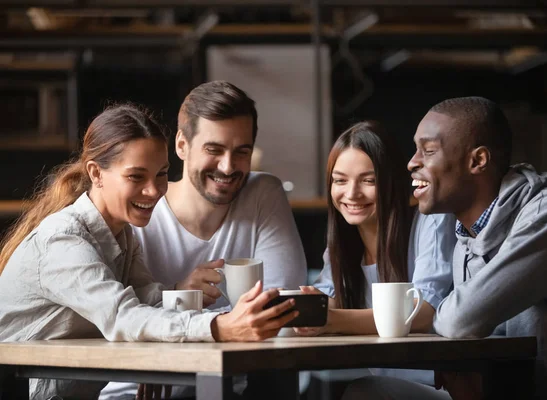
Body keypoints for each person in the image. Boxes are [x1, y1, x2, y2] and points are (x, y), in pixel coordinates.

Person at [0, 104, 297, 400]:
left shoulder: (123, 234)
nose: (154, 191)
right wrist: (220, 327)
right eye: (136, 177)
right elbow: (123, 317)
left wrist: (160, 356)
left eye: (161, 175)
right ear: (96, 173)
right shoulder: (63, 240)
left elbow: (149, 300)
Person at [345, 96, 547, 400]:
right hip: (498, 389)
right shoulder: (465, 234)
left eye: (428, 151)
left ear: (478, 161)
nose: (412, 163)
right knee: (368, 391)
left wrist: (447, 318)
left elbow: (460, 320)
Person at [100, 81, 307, 399]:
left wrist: (183, 312)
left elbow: (282, 311)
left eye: (241, 152)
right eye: (214, 150)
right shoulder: (140, 206)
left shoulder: (263, 193)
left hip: (229, 389)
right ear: (182, 146)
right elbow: (118, 322)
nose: (228, 167)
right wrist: (185, 298)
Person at [294, 121, 456, 394]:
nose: (352, 193)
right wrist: (307, 309)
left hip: (445, 387)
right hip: (390, 387)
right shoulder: (343, 245)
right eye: (340, 180)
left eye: (368, 180)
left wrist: (330, 319)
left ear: (391, 180)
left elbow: (424, 311)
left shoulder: (431, 221)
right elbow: (327, 300)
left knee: (363, 392)